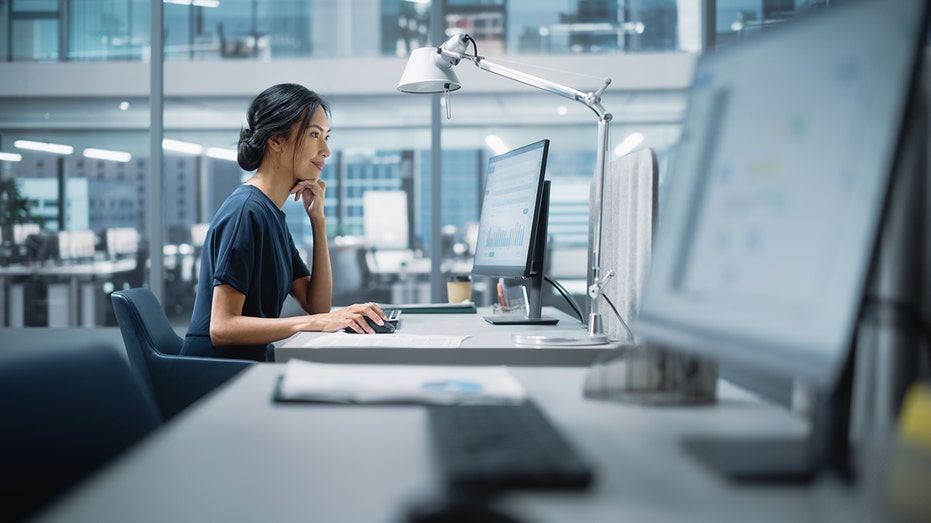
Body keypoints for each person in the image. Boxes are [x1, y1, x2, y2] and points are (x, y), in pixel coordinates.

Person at [181, 83, 387, 362]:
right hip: (216, 374)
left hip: (251, 364)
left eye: (326, 137)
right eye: (315, 135)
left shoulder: (271, 215)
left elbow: (317, 305)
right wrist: (312, 323)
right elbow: (222, 327)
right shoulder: (245, 212)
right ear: (276, 140)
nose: (325, 150)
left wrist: (318, 221)